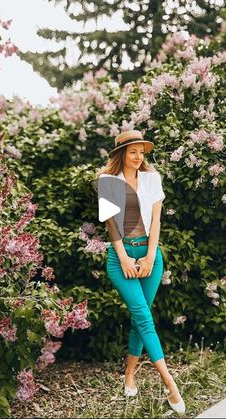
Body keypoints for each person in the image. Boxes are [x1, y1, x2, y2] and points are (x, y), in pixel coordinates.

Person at [96, 130, 185, 414]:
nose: (138, 157)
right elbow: (111, 225)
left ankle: (130, 375)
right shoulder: (108, 181)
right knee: (145, 319)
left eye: (142, 152)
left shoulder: (152, 178)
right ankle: (170, 383)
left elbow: (156, 221)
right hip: (121, 257)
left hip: (150, 255)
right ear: (121, 153)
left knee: (139, 317)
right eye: (133, 151)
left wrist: (149, 257)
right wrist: (124, 259)